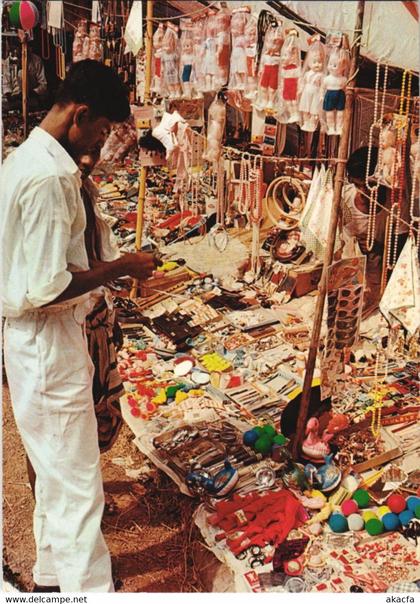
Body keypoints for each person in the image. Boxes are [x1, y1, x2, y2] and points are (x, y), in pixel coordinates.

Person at [1, 59, 156, 593]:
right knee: (78, 482)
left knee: (56, 471)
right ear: (80, 116)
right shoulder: (47, 178)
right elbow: (45, 287)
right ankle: (86, 588)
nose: (102, 140)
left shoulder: (27, 162)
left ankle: (50, 574)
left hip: (35, 344)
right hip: (46, 342)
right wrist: (119, 268)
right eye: (103, 129)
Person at [2, 41, 48, 111]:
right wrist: (10, 96)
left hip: (31, 98)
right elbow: (6, 84)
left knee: (35, 106)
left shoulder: (36, 60)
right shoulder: (7, 62)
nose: (17, 51)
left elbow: (43, 85)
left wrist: (31, 93)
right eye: (15, 49)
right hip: (14, 99)